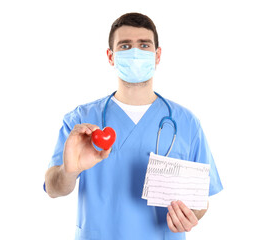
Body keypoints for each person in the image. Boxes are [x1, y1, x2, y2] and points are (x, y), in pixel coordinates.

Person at [44, 12, 223, 240]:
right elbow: (53, 187)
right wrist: (69, 170)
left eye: (144, 45)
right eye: (125, 46)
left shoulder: (187, 123)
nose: (135, 53)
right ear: (111, 56)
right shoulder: (81, 120)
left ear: (157, 55)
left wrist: (190, 216)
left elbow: (200, 201)